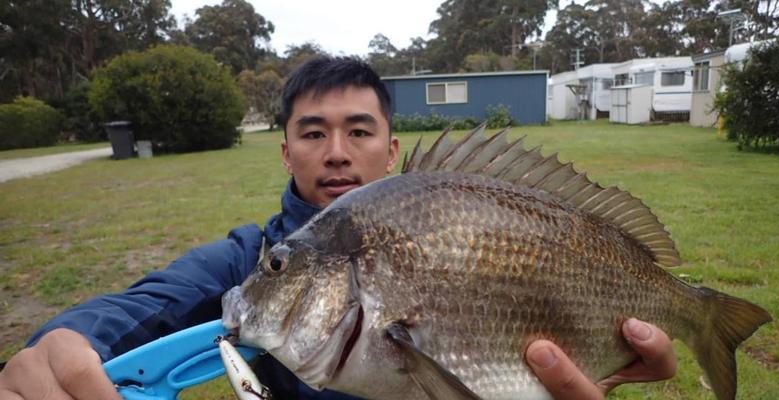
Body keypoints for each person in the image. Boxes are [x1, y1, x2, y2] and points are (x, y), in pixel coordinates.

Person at [0, 57, 676, 400]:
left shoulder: (441, 209)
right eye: (312, 131)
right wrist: (64, 343)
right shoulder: (259, 257)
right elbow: (156, 300)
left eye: (359, 130)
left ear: (392, 152)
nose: (336, 151)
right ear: (285, 149)